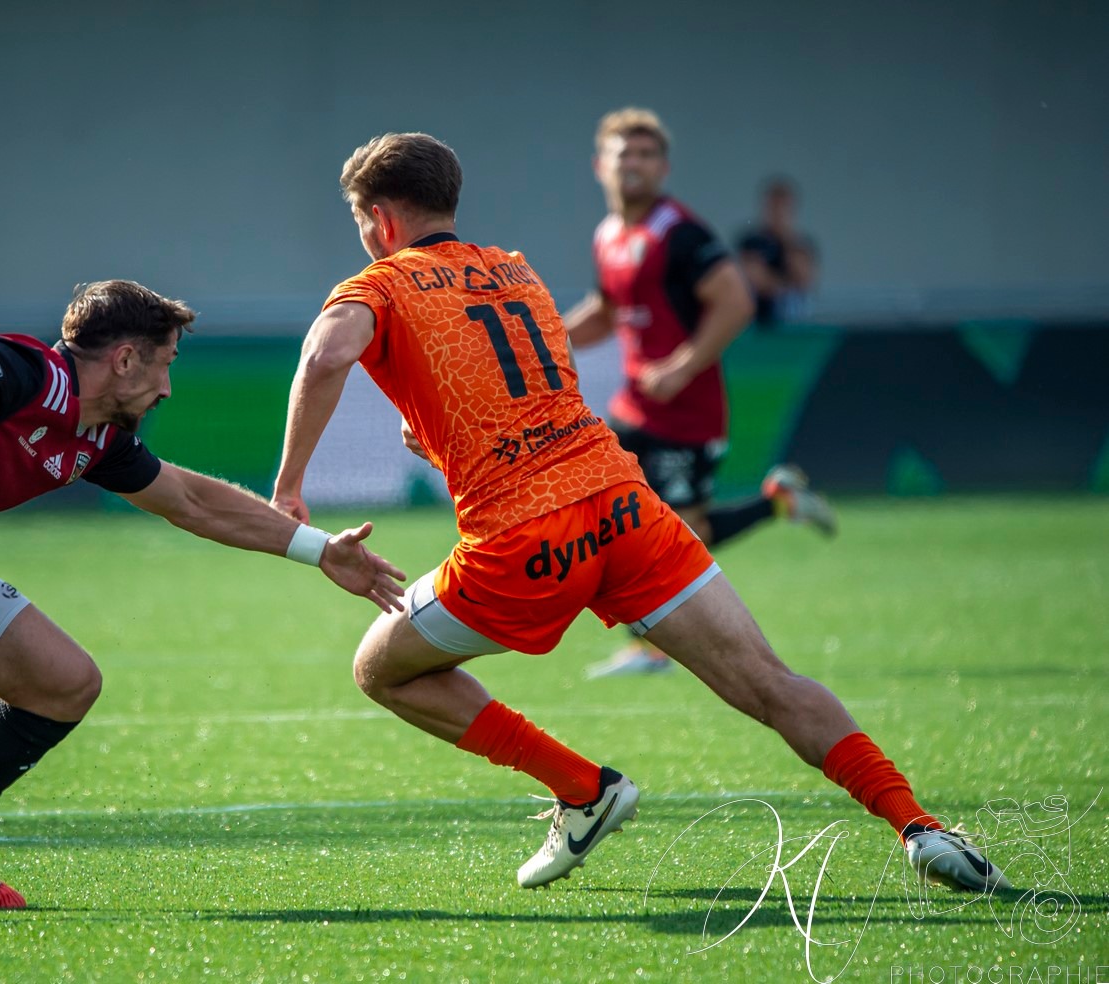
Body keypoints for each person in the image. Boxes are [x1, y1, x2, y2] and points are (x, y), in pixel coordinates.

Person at [271, 132, 1004, 894]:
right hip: (624, 505)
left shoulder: (378, 284)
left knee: (380, 669)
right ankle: (918, 824)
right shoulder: (517, 273)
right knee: (768, 681)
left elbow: (326, 356)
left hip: (524, 537)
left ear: (382, 221)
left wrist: (290, 486)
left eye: (362, 223)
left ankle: (582, 788)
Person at [0, 279, 406, 925]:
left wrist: (321, 551)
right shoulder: (29, 375)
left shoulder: (97, 437)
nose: (168, 388)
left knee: (65, 683)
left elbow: (191, 501)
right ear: (125, 359)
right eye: (164, 364)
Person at [560, 108, 834, 677]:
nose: (632, 164)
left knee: (688, 534)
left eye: (645, 155)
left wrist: (682, 367)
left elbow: (736, 301)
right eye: (622, 154)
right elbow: (606, 314)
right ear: (598, 166)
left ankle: (774, 502)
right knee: (606, 519)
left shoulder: (679, 232)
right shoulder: (609, 235)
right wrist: (544, 339)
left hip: (687, 413)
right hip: (633, 408)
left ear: (662, 167)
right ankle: (649, 642)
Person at [736, 175, 818, 326]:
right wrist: (786, 285)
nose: (778, 213)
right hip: (759, 324)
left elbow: (805, 280)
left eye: (783, 208)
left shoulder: (800, 245)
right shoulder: (752, 242)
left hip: (794, 324)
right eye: (774, 207)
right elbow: (757, 281)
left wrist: (786, 238)